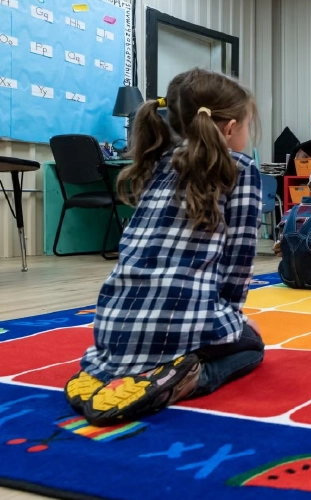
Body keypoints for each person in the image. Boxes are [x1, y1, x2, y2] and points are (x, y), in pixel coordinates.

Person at [64, 68, 265, 426]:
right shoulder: (241, 169)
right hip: (183, 323)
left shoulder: (158, 163)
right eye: (248, 127)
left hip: (112, 324)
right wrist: (232, 317)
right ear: (230, 128)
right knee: (251, 346)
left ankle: (102, 372)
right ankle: (185, 377)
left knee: (185, 331)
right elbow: (239, 260)